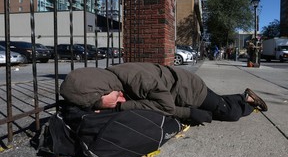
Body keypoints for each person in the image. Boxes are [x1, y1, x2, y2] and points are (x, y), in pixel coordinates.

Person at [60, 62, 268, 125]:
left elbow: (167, 108)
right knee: (219, 103)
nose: (119, 101)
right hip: (171, 93)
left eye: (113, 100)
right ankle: (239, 97)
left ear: (106, 90)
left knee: (229, 114)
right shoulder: (111, 80)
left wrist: (123, 106)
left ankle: (247, 100)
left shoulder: (138, 80)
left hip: (189, 90)